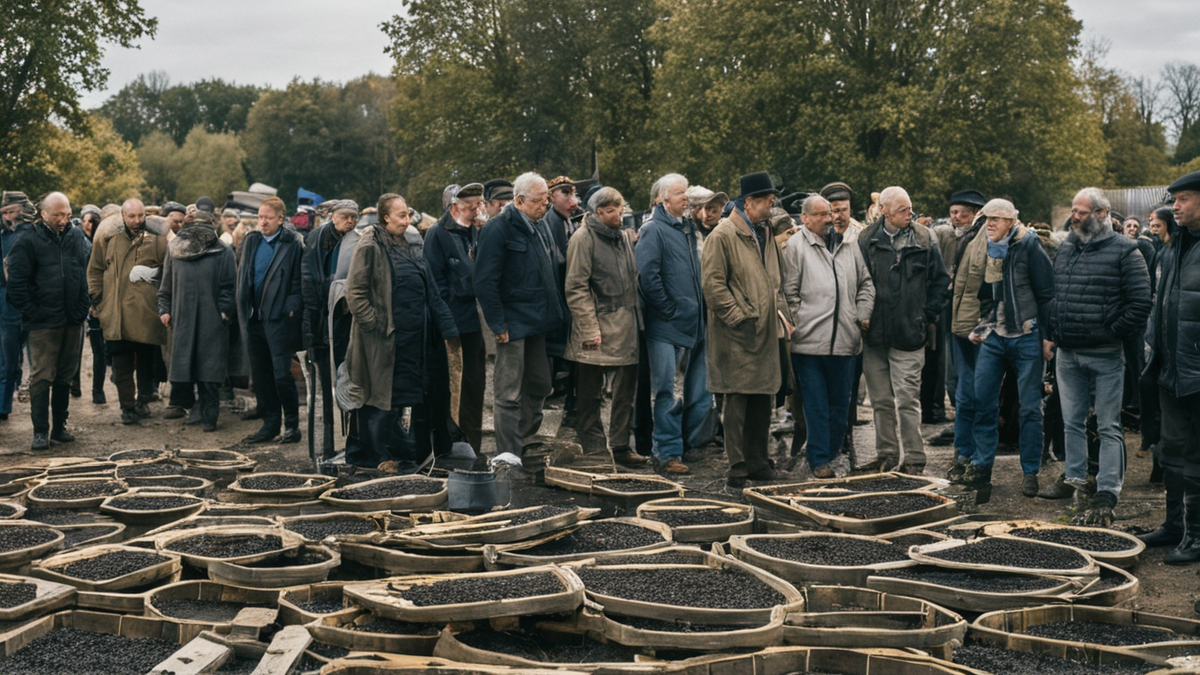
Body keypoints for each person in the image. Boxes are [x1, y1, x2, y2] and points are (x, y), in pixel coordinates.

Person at [1041, 188, 1152, 526]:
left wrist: (1111, 330)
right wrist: (1052, 331)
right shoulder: (1069, 248)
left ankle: (1107, 489)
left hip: (1106, 354)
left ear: (1103, 214)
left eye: (1081, 211)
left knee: (1108, 425)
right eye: (1073, 210)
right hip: (1068, 352)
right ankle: (1076, 480)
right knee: (1071, 421)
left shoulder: (1126, 251)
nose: (1074, 216)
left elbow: (1140, 303)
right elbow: (1055, 294)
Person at [345, 193, 460, 471]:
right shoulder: (370, 245)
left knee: (404, 397)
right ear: (385, 218)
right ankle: (376, 455)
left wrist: (448, 329)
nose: (407, 220)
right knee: (379, 399)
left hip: (412, 339)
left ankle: (401, 452)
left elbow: (430, 288)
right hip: (383, 340)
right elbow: (355, 292)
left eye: (407, 214)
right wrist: (376, 324)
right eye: (401, 215)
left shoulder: (410, 243)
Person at [954, 199, 1055, 503]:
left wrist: (1047, 337)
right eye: (986, 220)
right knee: (982, 399)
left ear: (1011, 222)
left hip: (1026, 334)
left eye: (996, 220)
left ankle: (1030, 471)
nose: (989, 225)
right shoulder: (990, 245)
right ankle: (982, 466)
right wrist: (983, 324)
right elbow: (986, 292)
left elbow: (1047, 294)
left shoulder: (1031, 247)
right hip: (996, 335)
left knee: (1028, 407)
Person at [702, 171, 790, 488]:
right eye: (767, 201)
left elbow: (777, 282)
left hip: (765, 332)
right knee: (737, 402)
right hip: (737, 335)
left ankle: (757, 460)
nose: (772, 206)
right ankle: (737, 464)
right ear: (749, 202)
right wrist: (740, 317)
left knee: (762, 401)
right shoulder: (723, 236)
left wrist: (783, 317)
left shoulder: (764, 234)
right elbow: (713, 287)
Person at [858, 186, 951, 474]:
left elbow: (940, 281)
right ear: (883, 211)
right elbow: (859, 281)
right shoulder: (866, 239)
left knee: (908, 400)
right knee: (881, 401)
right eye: (902, 210)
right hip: (874, 334)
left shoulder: (925, 237)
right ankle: (886, 454)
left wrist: (926, 316)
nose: (909, 214)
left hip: (910, 334)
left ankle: (914, 459)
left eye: (910, 208)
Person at [475, 172, 566, 463]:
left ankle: (525, 439)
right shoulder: (497, 229)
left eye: (546, 200)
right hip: (512, 324)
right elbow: (484, 282)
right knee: (508, 393)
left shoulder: (541, 226)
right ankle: (509, 454)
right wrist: (498, 324)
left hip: (539, 323)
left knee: (540, 385)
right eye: (539, 201)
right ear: (519, 201)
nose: (544, 206)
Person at [782, 195, 874, 478]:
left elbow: (865, 284)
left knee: (840, 403)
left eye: (830, 213)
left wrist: (861, 314)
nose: (829, 218)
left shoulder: (849, 245)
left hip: (845, 340)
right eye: (821, 214)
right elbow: (789, 293)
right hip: (808, 344)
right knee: (815, 404)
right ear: (805, 219)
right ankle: (818, 458)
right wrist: (799, 323)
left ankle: (832, 452)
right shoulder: (795, 248)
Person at [1141, 170, 1200, 564]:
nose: (1173, 206)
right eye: (1173, 199)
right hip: (1170, 368)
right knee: (1172, 450)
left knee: (1196, 455)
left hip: (1196, 371)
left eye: (1182, 199)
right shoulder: (1171, 246)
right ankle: (1175, 525)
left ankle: (1196, 536)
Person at [564, 186, 646, 467]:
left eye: (620, 209)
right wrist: (588, 329)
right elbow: (576, 287)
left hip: (626, 326)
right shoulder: (582, 238)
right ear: (597, 212)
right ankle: (593, 446)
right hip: (596, 327)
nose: (617, 216)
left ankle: (621, 445)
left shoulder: (623, 237)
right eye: (611, 211)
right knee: (590, 393)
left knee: (625, 393)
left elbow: (632, 280)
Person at [636, 173, 712, 475]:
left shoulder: (689, 228)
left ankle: (689, 444)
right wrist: (669, 309)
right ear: (663, 199)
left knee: (699, 392)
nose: (686, 198)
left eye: (686, 193)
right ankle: (667, 452)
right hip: (667, 327)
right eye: (680, 194)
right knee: (667, 392)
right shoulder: (653, 230)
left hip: (694, 324)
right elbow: (648, 277)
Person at [5, 192, 90, 449]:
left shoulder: (76, 237)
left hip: (72, 320)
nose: (63, 219)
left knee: (65, 375)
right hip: (43, 324)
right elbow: (16, 284)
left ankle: (59, 429)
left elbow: (85, 272)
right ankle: (40, 432)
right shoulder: (27, 240)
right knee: (42, 377)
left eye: (67, 214)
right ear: (43, 214)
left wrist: (82, 306)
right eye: (57, 215)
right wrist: (34, 312)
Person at [87, 198, 168, 425]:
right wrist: (98, 299)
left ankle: (143, 401)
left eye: (140, 216)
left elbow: (168, 271)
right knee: (121, 363)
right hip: (116, 312)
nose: (137, 221)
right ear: (123, 216)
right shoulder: (108, 238)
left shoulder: (157, 240)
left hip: (146, 313)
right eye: (131, 216)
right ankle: (128, 407)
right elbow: (95, 269)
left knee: (145, 362)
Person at [157, 207, 236, 432]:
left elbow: (229, 286)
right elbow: (166, 285)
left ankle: (211, 413)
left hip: (212, 319)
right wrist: (165, 308)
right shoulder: (175, 249)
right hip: (183, 318)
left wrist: (224, 311)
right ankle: (196, 409)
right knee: (187, 367)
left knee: (209, 370)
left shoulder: (222, 251)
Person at [424, 183, 488, 455]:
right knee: (454, 391)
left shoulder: (476, 231)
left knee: (475, 389)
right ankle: (452, 449)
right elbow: (435, 286)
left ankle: (472, 448)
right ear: (452, 207)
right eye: (466, 204)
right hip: (453, 327)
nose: (474, 209)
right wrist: (448, 324)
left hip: (475, 324)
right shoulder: (437, 235)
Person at [237, 196, 304, 444]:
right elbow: (243, 273)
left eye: (267, 217)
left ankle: (293, 426)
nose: (262, 222)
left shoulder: (292, 243)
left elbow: (298, 282)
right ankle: (270, 425)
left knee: (281, 375)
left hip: (278, 319)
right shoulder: (252, 240)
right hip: (254, 318)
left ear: (280, 218)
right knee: (261, 375)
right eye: (260, 217)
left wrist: (290, 309)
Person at [929, 189, 988, 449]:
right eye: (953, 213)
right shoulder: (946, 237)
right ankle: (961, 421)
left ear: (975, 215)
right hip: (952, 314)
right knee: (954, 373)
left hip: (976, 318)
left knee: (974, 373)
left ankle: (976, 426)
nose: (956, 218)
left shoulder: (985, 239)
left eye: (962, 214)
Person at [302, 199, 359, 458]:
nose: (350, 220)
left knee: (346, 378)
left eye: (354, 216)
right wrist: (310, 322)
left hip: (344, 317)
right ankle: (326, 445)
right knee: (323, 384)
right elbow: (307, 276)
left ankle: (349, 442)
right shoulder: (316, 238)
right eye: (345, 216)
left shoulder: (357, 241)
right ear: (333, 216)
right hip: (318, 316)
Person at [0, 191, 33, 421]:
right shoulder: (6, 235)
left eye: (9, 210)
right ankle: (3, 407)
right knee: (7, 360)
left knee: (14, 360)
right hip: (7, 303)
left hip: (22, 302)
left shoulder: (26, 234)